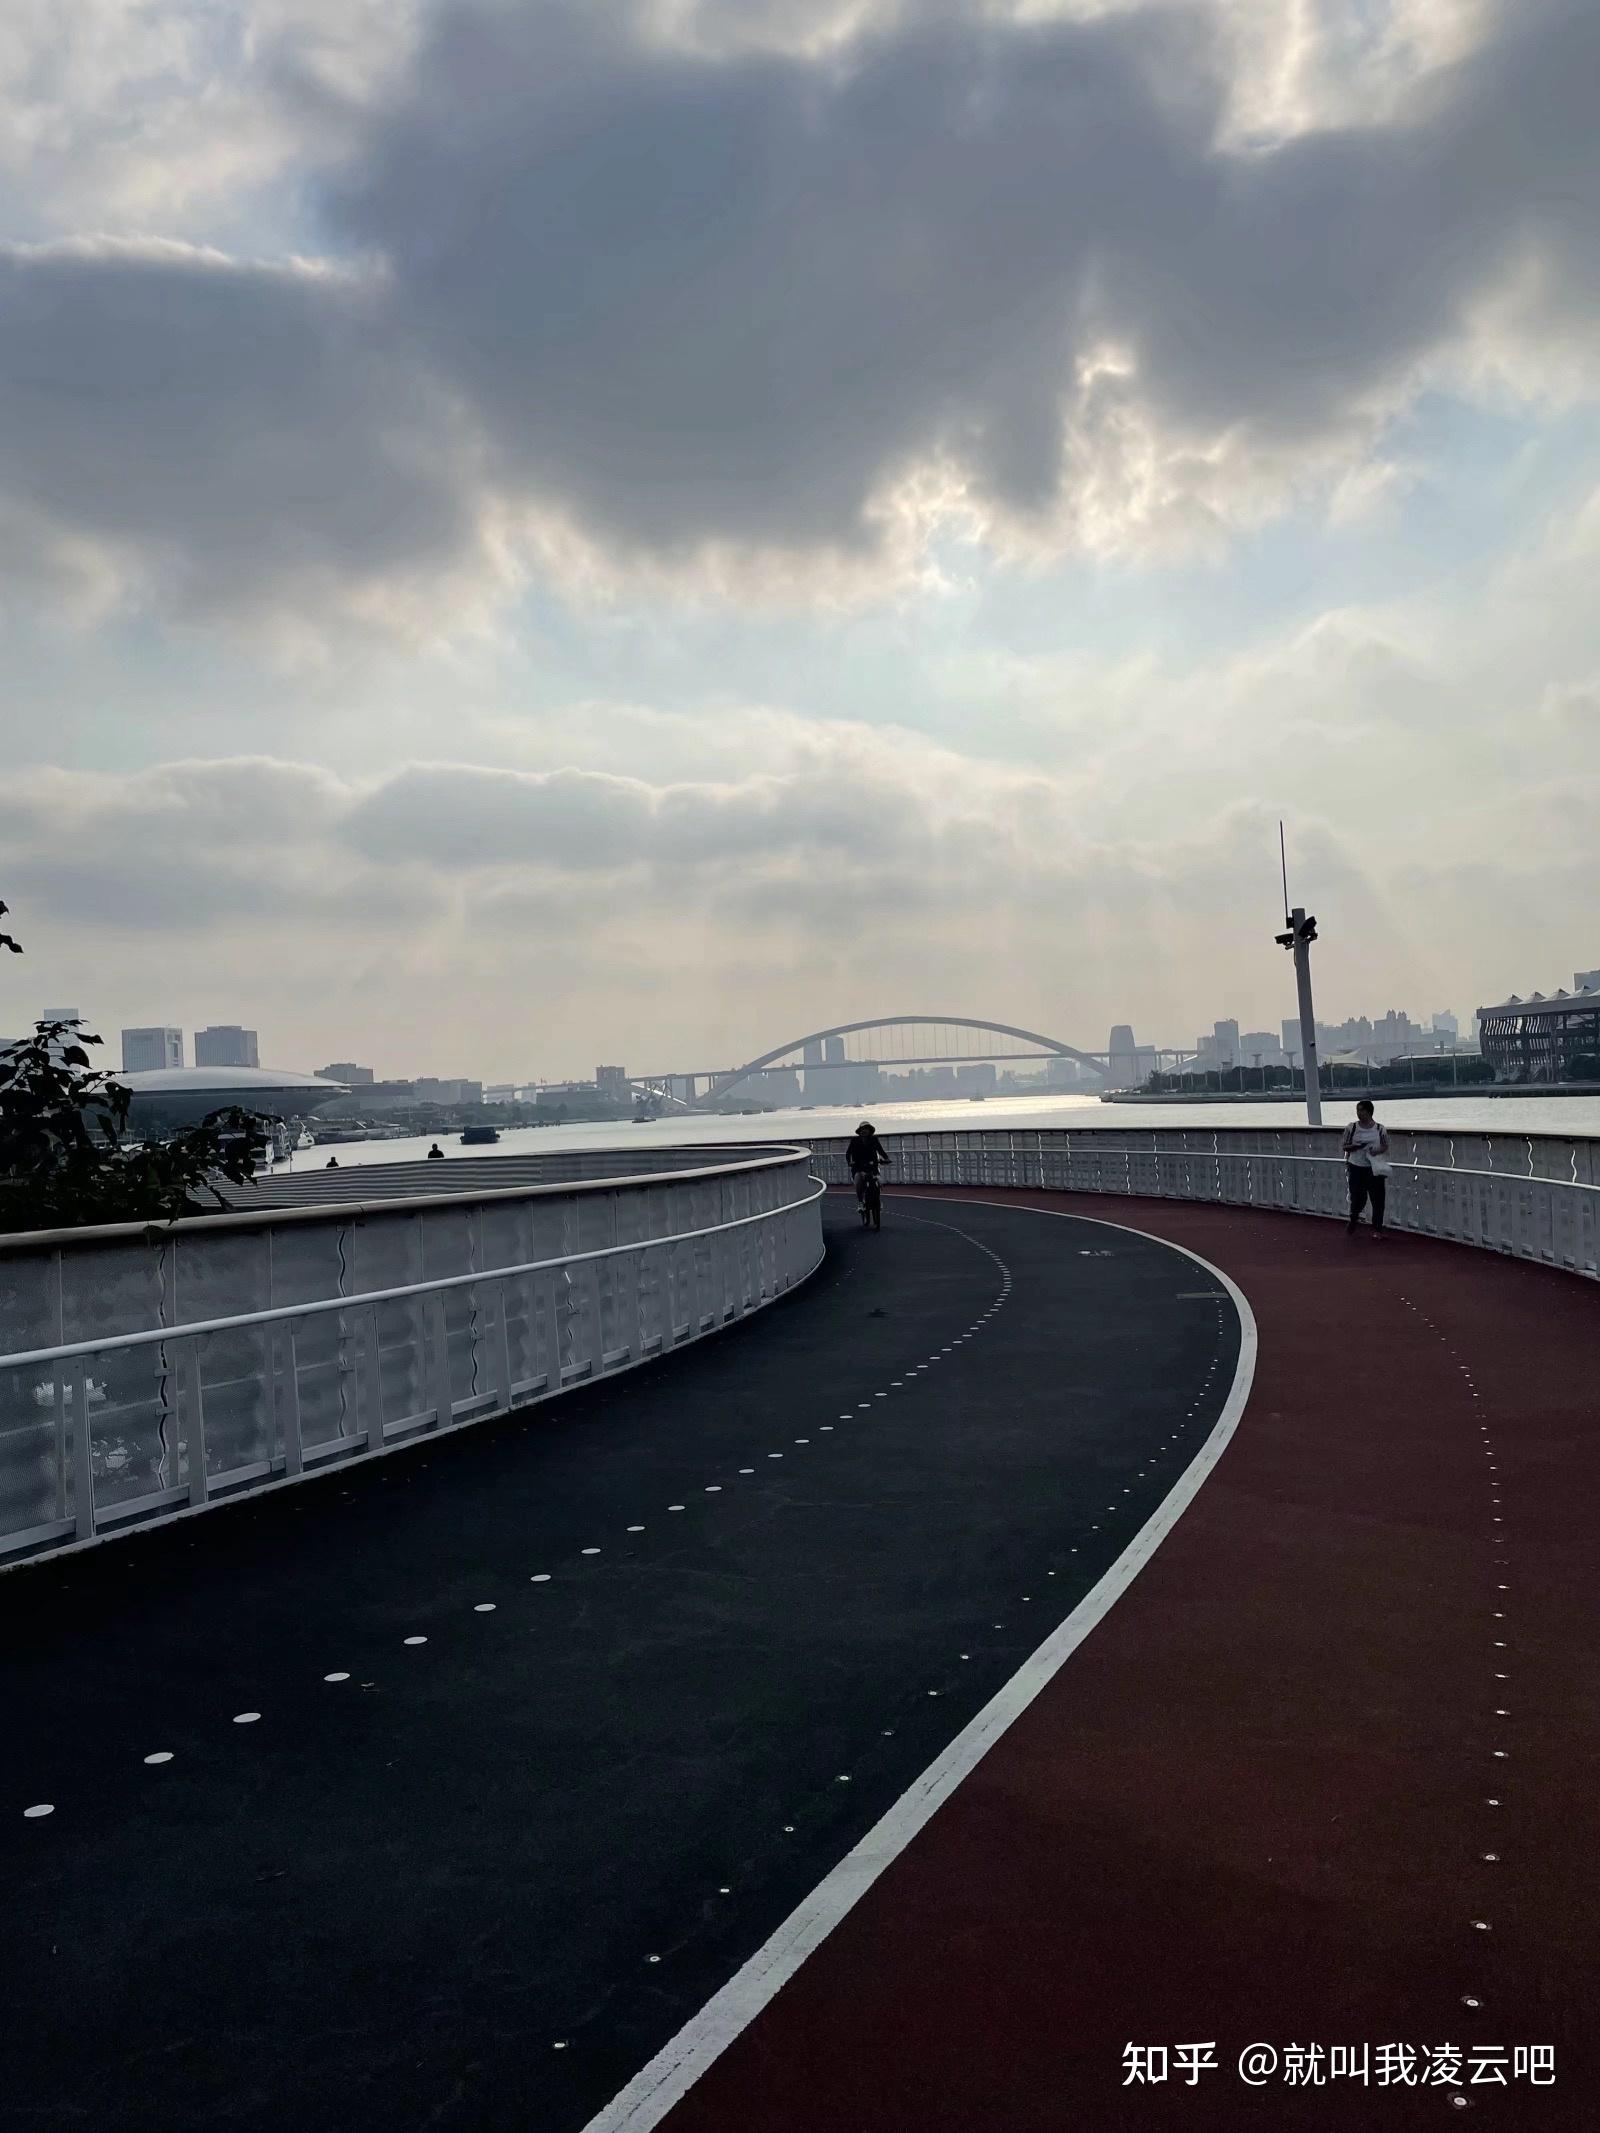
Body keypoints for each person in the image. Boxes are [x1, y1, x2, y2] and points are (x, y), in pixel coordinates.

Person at [1342, 1099, 1390, 1236]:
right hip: (1356, 1166)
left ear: (1369, 1112)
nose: (1359, 1113)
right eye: (1357, 1110)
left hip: (1374, 1168)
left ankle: (1377, 1228)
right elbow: (1345, 1146)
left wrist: (1376, 1150)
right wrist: (1356, 1146)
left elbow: (1385, 1145)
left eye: (1361, 1110)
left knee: (1378, 1199)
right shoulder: (1352, 1128)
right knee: (1358, 1197)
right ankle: (1354, 1218)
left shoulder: (1380, 1129)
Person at [846, 1121, 892, 1213]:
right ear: (860, 1131)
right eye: (863, 1129)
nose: (865, 1131)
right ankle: (860, 1202)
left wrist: (886, 1158)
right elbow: (848, 1153)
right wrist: (850, 1162)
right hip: (858, 1167)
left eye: (866, 1129)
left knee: (878, 1181)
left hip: (872, 1167)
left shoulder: (874, 1139)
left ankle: (878, 1201)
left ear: (870, 1131)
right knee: (859, 1181)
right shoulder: (854, 1141)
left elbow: (880, 1151)